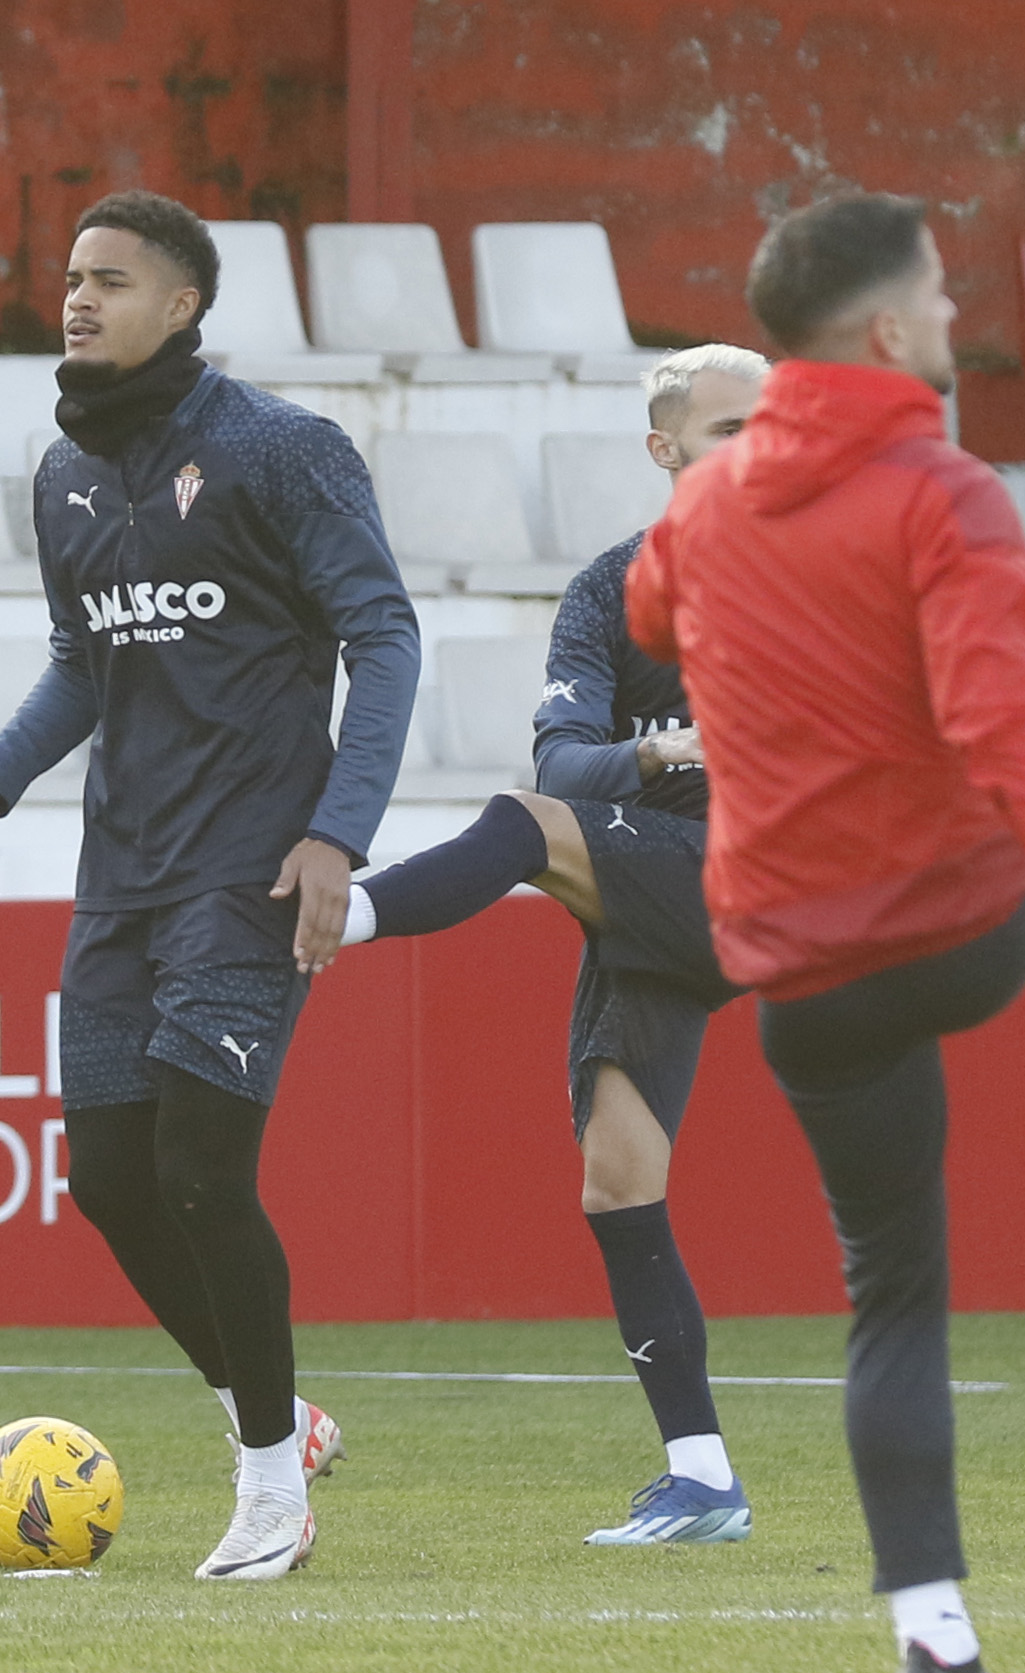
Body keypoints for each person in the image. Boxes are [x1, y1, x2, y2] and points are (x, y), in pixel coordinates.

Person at [627, 192, 1025, 1673]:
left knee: (896, 1302)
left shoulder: (702, 505)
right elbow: (1008, 729)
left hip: (802, 977)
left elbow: (650, 608)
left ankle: (936, 1640)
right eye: (940, 294)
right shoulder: (948, 494)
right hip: (964, 929)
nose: (954, 315)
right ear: (887, 331)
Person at [0, 191, 420, 1581]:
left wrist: (338, 832)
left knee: (200, 1167)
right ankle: (281, 1420)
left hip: (245, 871)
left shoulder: (281, 451)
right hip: (118, 878)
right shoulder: (66, 473)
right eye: (69, 277)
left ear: (181, 305)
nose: (76, 299)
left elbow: (386, 637)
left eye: (109, 280)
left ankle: (268, 1498)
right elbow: (82, 659)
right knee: (110, 1178)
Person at [331, 343, 768, 1546]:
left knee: (522, 831)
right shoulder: (610, 592)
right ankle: (701, 1479)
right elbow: (563, 763)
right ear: (665, 448)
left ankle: (334, 920)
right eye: (729, 430)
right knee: (617, 1180)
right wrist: (668, 752)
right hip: (647, 885)